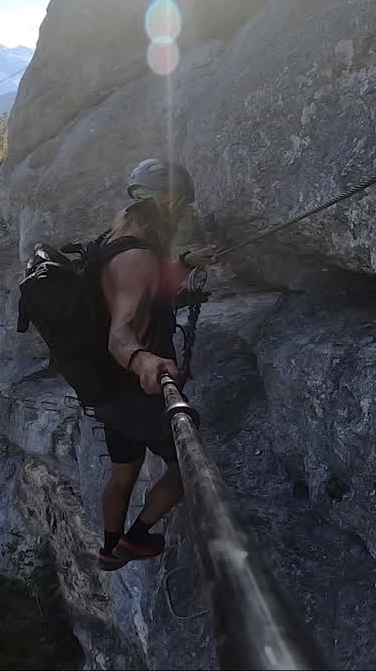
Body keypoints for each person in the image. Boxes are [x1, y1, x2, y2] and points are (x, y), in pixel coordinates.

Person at [93, 158, 216, 571]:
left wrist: (185, 262)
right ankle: (138, 536)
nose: (182, 215)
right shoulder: (138, 258)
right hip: (139, 389)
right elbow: (120, 331)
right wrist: (143, 358)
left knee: (123, 472)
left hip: (107, 389)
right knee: (187, 468)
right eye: (181, 207)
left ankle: (109, 550)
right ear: (169, 201)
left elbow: (140, 286)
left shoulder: (114, 239)